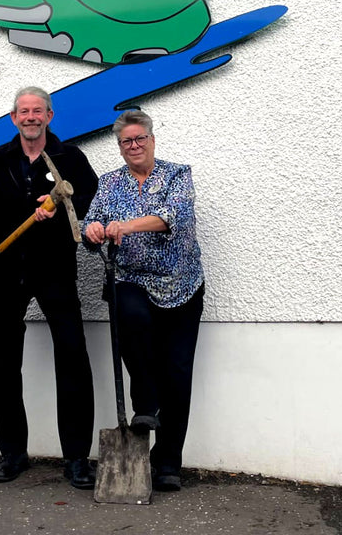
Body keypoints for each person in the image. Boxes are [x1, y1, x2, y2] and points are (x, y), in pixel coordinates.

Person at [0, 86, 97, 489]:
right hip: (6, 266)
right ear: (13, 118)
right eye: (23, 111)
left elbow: (89, 200)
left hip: (55, 267)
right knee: (6, 358)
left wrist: (63, 206)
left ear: (49, 116)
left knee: (72, 354)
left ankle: (77, 457)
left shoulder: (71, 159)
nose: (30, 117)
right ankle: (12, 452)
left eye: (38, 111)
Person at [83, 109, 204, 492]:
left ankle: (168, 462)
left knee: (178, 373)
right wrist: (94, 230)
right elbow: (88, 227)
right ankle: (145, 402)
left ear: (152, 140)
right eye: (126, 141)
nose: (133, 146)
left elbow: (174, 216)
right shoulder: (110, 183)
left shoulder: (177, 175)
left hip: (181, 285)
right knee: (130, 314)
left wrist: (126, 225)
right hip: (130, 279)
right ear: (119, 148)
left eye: (139, 139)